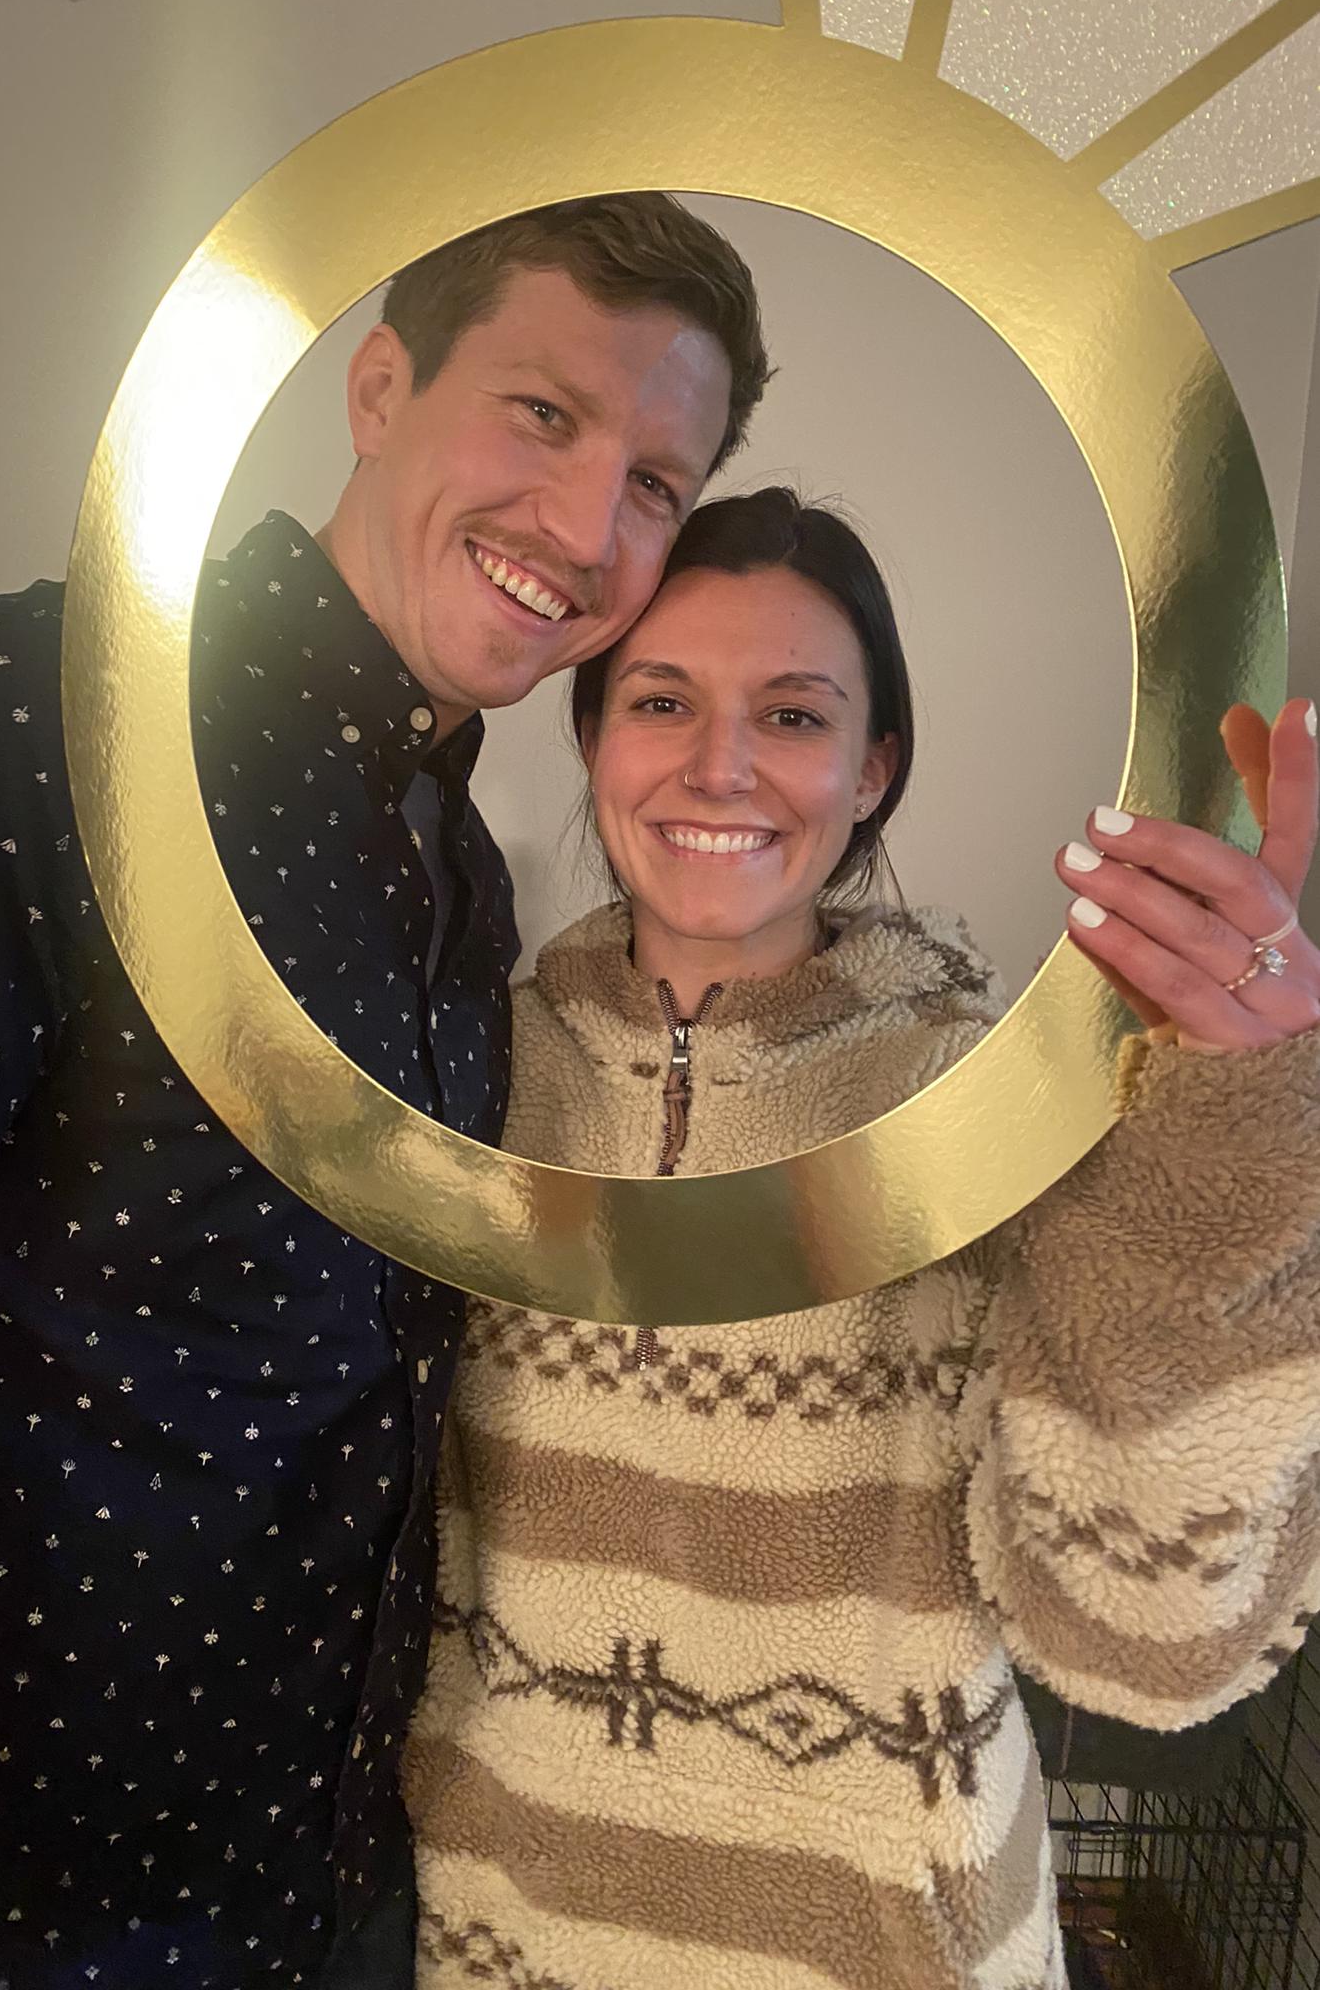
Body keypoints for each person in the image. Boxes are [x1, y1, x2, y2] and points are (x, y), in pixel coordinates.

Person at [0, 196, 771, 1990]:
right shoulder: (19, 714)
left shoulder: (461, 875)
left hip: (328, 1895)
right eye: (544, 414)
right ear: (380, 386)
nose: (585, 529)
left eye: (655, 482)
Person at [404, 486, 1320, 1990]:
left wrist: (1229, 1142)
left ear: (872, 765)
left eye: (794, 715)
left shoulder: (991, 1110)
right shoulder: (467, 1075)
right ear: (591, 735)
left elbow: (1150, 1640)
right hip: (503, 1934)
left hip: (892, 1948)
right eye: (660, 700)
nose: (719, 765)